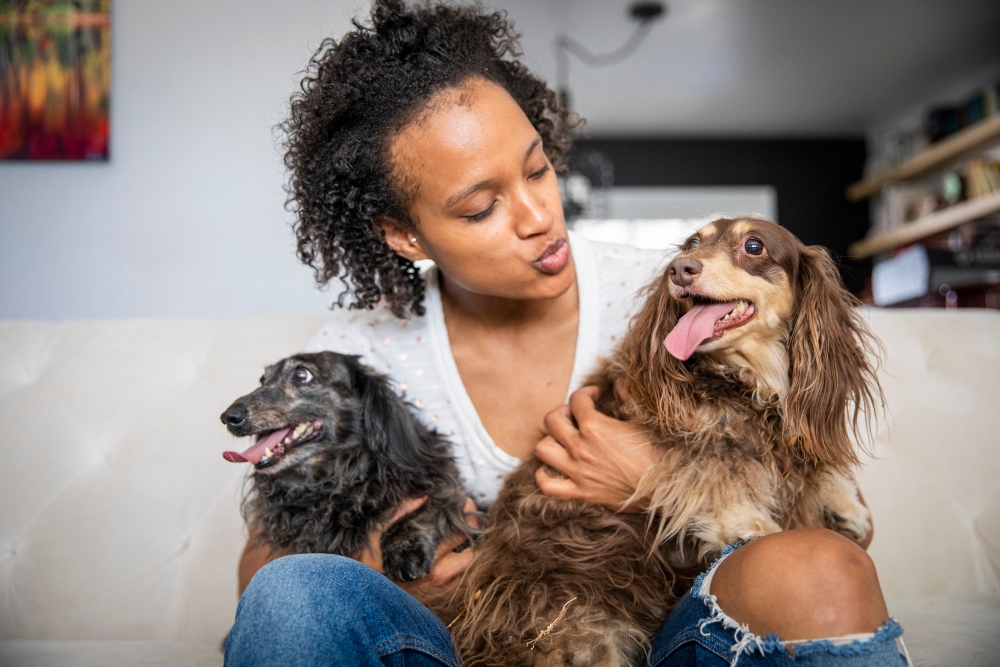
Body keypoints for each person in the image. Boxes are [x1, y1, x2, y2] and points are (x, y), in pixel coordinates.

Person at [225, 1, 908, 665]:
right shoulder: (362, 356)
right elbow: (262, 578)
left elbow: (852, 528)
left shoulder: (677, 296)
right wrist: (389, 576)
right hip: (450, 637)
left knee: (822, 568)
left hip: (660, 626)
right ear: (406, 234)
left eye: (537, 169)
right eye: (482, 206)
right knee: (292, 593)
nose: (537, 215)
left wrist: (654, 481)